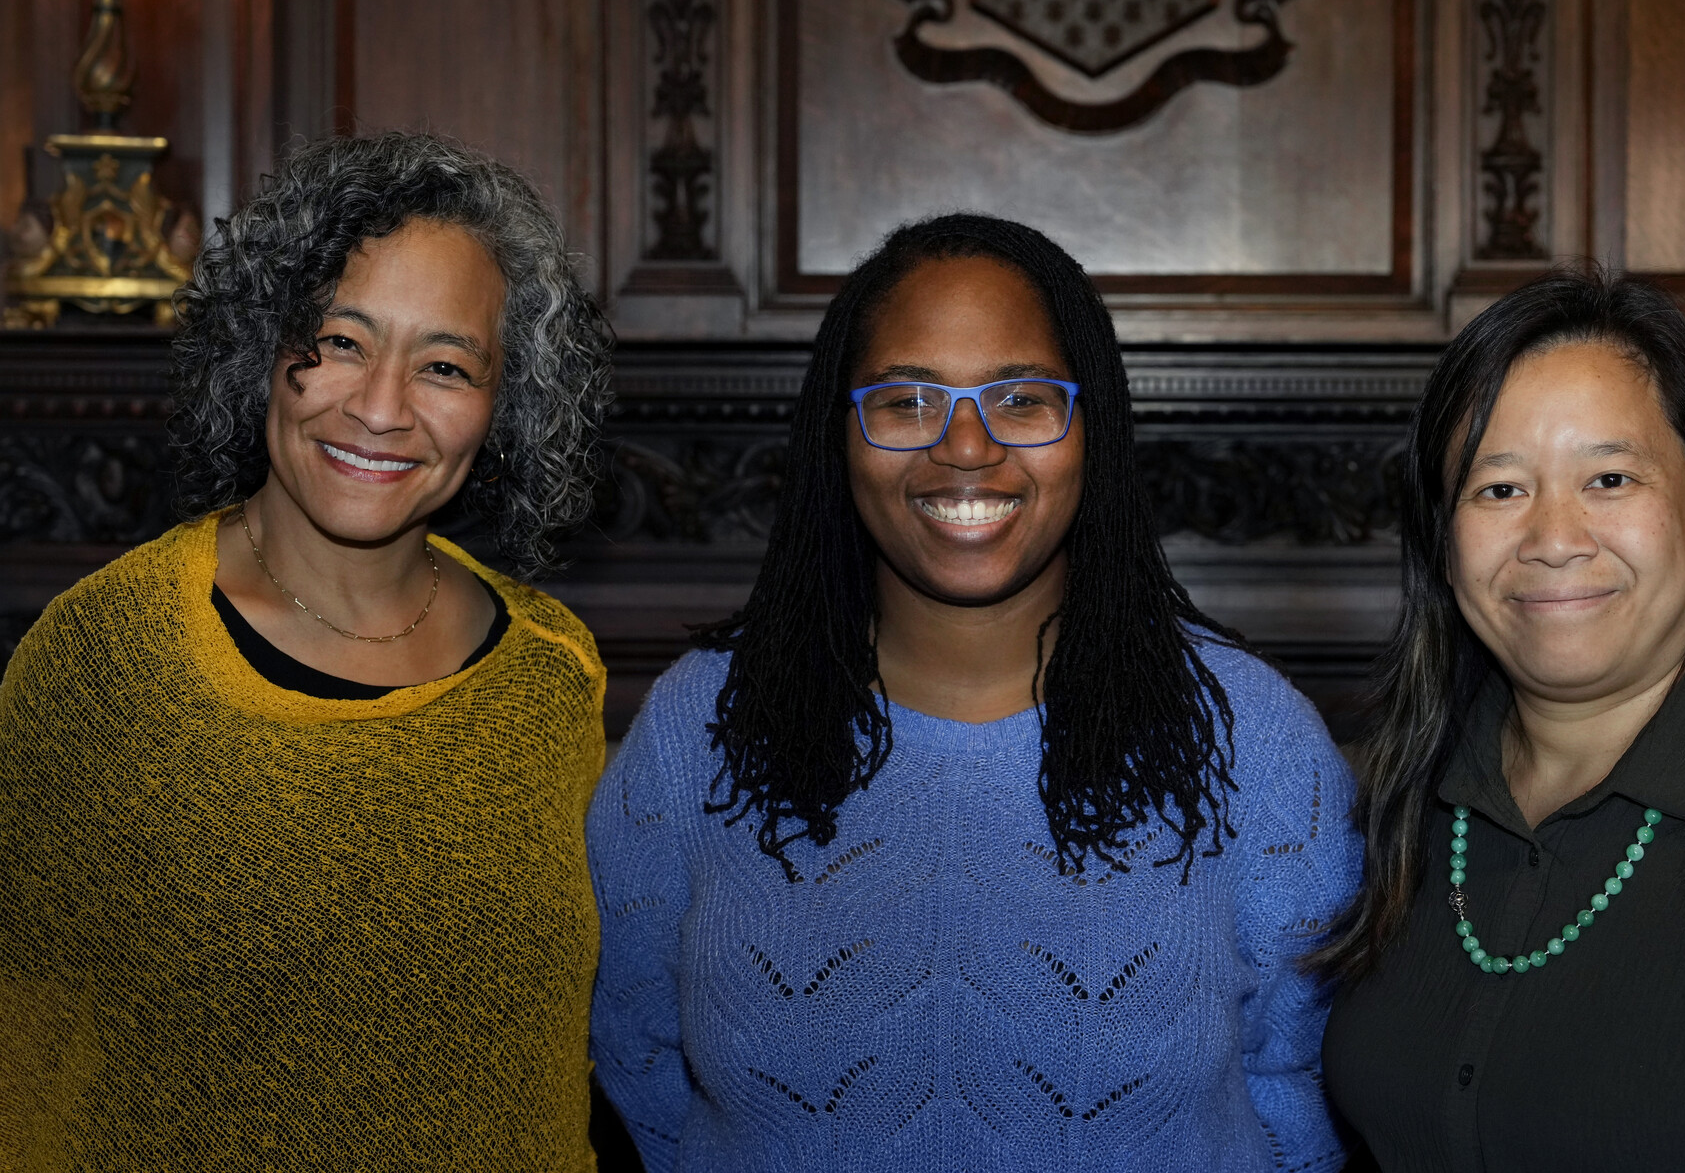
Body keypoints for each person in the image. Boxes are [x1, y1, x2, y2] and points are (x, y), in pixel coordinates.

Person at [587, 213, 1361, 1171]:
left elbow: (1303, 1086)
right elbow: (634, 1056)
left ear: (1092, 428)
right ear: (840, 433)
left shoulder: (1251, 741)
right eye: (907, 401)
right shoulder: (698, 730)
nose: (964, 447)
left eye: (1022, 399)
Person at [0, 132, 614, 1169]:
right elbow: (23, 1046)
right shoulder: (108, 655)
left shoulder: (553, 669)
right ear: (261, 349)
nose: (379, 407)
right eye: (337, 340)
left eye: (446, 364)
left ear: (502, 408)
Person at [1317, 268, 1685, 1171]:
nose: (1555, 538)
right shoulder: (1392, 805)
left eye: (1609, 477)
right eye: (1499, 490)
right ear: (1444, 545)